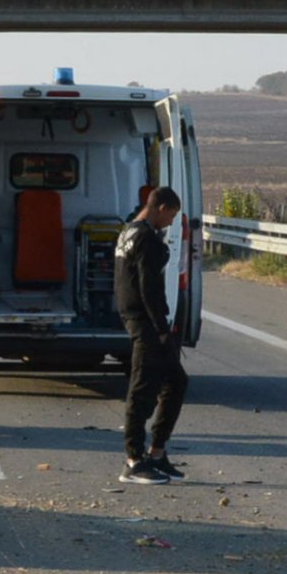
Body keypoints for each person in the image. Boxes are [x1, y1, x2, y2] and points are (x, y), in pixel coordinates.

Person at [114, 185, 188, 484]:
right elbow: (149, 287)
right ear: (161, 208)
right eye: (171, 215)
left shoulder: (129, 231)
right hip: (145, 321)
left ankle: (157, 453)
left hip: (138, 317)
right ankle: (134, 460)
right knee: (142, 388)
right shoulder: (145, 238)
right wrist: (160, 328)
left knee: (177, 381)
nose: (171, 222)